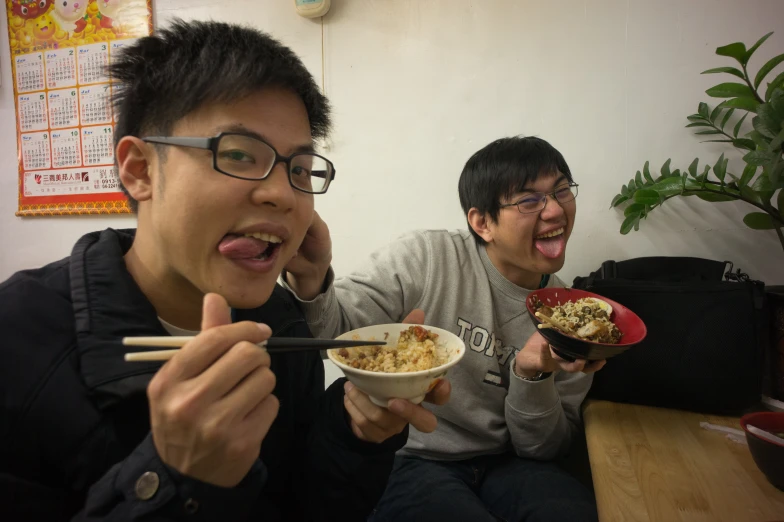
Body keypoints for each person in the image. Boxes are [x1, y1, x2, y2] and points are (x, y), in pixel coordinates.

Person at [0, 20, 449, 522]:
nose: (282, 193)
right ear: (140, 169)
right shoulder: (18, 340)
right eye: (237, 154)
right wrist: (173, 479)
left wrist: (357, 433)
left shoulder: (277, 320)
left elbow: (312, 505)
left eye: (300, 169)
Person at [283, 136, 604, 521]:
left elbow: (544, 450)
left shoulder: (573, 320)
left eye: (562, 191)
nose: (554, 211)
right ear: (482, 222)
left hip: (510, 464)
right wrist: (313, 278)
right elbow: (332, 337)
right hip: (414, 457)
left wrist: (529, 375)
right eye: (528, 200)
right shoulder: (426, 259)